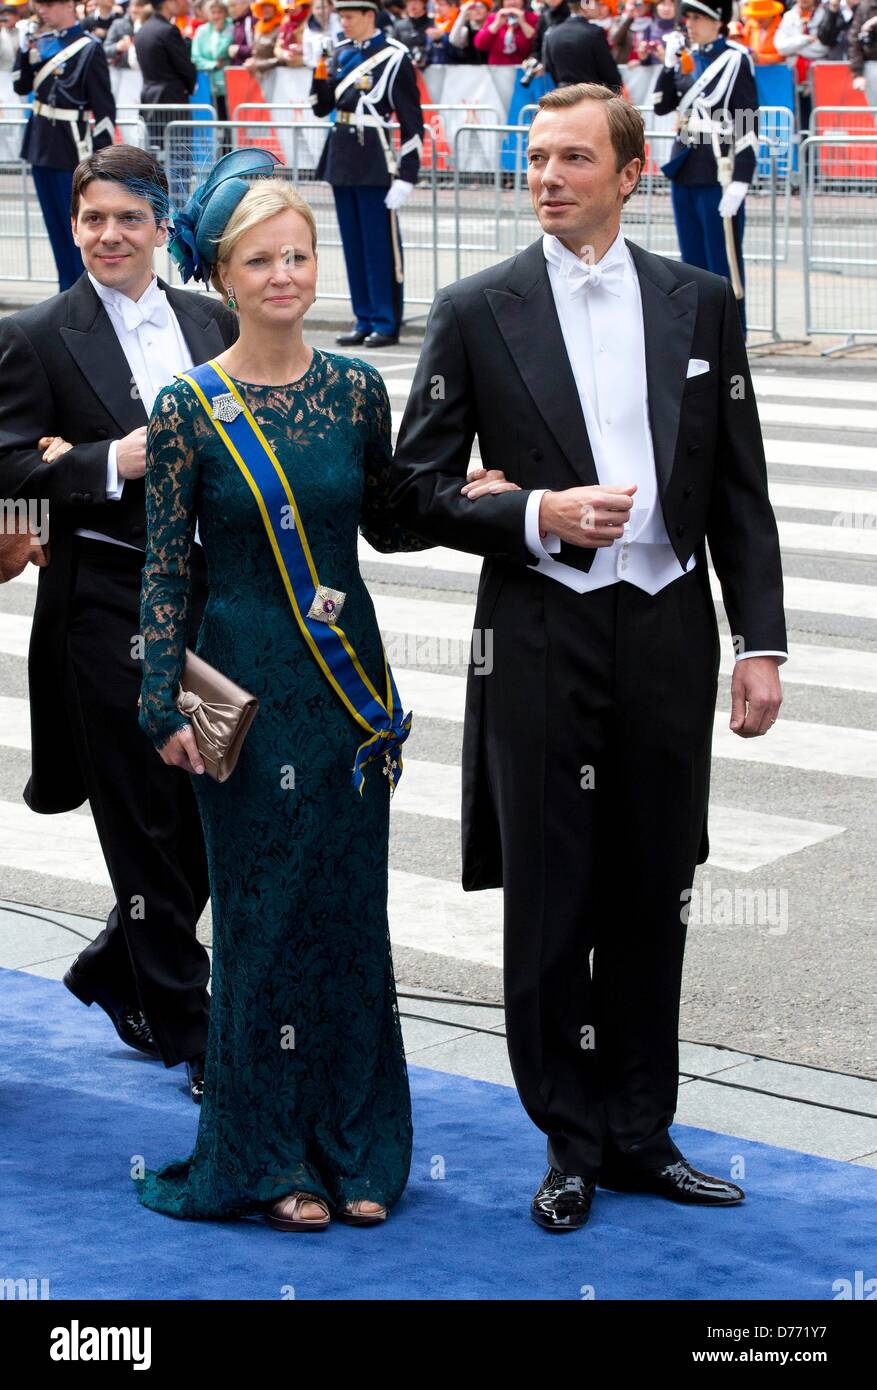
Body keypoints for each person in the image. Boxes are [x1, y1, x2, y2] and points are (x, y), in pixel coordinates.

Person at [389, 81, 787, 1232]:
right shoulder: (476, 308)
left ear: (631, 174)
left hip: (666, 625)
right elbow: (407, 496)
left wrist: (757, 642)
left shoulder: (702, 303)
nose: (548, 177)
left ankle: (640, 1130)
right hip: (542, 632)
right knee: (554, 896)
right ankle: (566, 1136)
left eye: (572, 158)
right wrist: (534, 514)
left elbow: (740, 492)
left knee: (654, 890)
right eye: (534, 159)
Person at [133, 148, 510, 1229]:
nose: (287, 274)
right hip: (238, 691)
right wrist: (164, 706)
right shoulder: (186, 408)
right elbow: (168, 568)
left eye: (298, 254)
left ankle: (354, 1145)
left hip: (347, 697)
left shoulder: (354, 387)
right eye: (262, 259)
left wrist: (468, 493)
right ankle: (272, 1155)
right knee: (260, 919)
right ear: (222, 272)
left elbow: (386, 518)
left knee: (347, 918)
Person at [0, 144, 239, 1101]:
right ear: (74, 223)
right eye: (92, 218)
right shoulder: (37, 335)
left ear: (157, 224)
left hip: (214, 601)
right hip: (102, 603)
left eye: (128, 219)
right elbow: (10, 471)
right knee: (142, 817)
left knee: (205, 812)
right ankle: (193, 1033)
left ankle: (115, 963)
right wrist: (107, 462)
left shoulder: (211, 319)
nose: (108, 235)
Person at [310, 0, 423, 347]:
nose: (343, 22)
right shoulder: (340, 52)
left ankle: (385, 321)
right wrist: (320, 70)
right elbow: (321, 107)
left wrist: (407, 175)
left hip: (375, 156)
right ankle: (363, 317)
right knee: (354, 245)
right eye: (340, 16)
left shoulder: (393, 56)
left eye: (349, 16)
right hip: (343, 155)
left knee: (378, 246)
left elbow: (411, 121)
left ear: (369, 16)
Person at [654, 0, 759, 339]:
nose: (690, 24)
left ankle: (731, 336)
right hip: (685, 164)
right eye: (689, 18)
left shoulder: (734, 59)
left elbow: (746, 120)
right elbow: (661, 105)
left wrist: (742, 179)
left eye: (698, 18)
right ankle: (699, 334)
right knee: (691, 260)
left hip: (718, 169)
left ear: (717, 21)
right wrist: (669, 66)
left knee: (722, 260)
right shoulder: (687, 59)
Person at [13, 0, 116, 290]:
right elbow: (21, 86)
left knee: (77, 234)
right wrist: (23, 51)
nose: (42, 10)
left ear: (69, 5)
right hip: (40, 146)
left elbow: (105, 111)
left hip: (71, 150)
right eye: (39, 5)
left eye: (48, 4)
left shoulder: (88, 48)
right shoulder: (41, 43)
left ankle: (84, 297)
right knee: (56, 233)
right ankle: (65, 295)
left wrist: (101, 162)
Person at [134, 0, 197, 203]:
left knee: (155, 160)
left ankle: (156, 206)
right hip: (172, 101)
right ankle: (179, 213)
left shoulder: (143, 30)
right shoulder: (168, 30)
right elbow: (185, 68)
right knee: (180, 158)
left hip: (150, 100)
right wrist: (189, 82)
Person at [542, 0, 622, 87]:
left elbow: (550, 69)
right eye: (597, 3)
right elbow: (609, 71)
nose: (599, 7)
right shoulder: (595, 33)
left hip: (564, 94)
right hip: (591, 94)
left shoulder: (552, 34)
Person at [473, 0, 538, 62]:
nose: (512, 2)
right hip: (497, 68)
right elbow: (479, 44)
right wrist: (497, 23)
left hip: (523, 68)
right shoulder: (494, 18)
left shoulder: (532, 18)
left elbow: (537, 44)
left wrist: (523, 23)